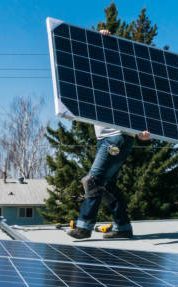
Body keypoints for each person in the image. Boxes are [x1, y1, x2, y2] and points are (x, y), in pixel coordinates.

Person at [67, 29, 151, 240]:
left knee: (93, 181)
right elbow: (89, 65)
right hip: (109, 139)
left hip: (116, 138)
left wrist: (105, 42)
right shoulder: (99, 81)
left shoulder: (122, 81)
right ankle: (123, 227)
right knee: (106, 186)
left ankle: (84, 227)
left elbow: (144, 107)